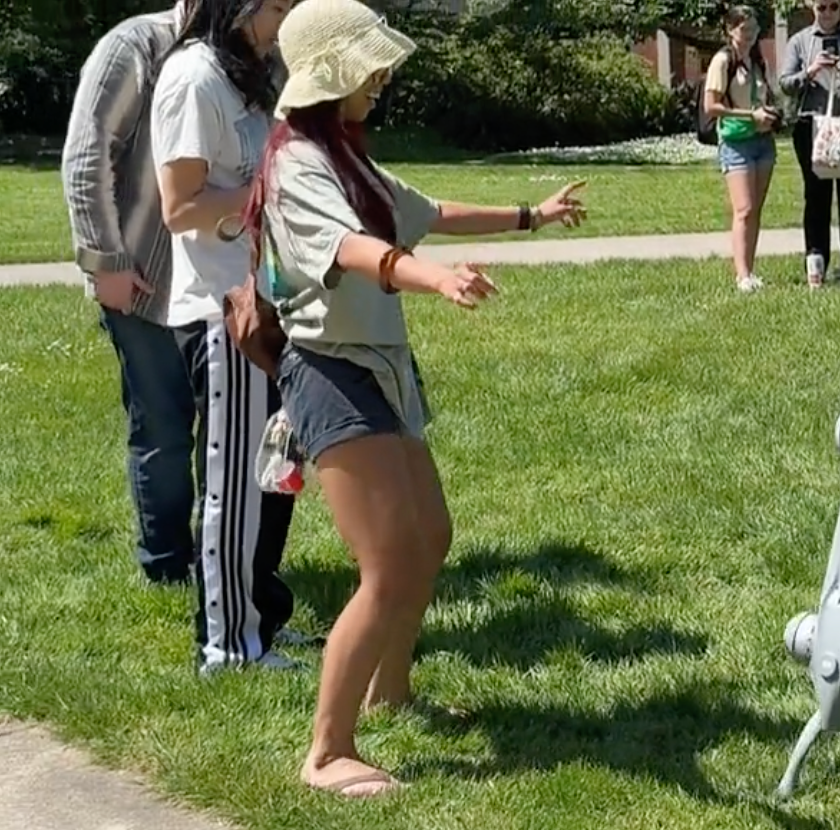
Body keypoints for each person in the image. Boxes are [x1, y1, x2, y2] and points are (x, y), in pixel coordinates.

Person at [245, 0, 586, 797]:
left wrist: (532, 216)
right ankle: (327, 753)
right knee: (388, 561)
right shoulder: (296, 164)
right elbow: (353, 249)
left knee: (429, 534)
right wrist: (432, 279)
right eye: (371, 67)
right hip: (332, 371)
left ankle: (389, 690)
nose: (384, 78)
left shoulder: (344, 154)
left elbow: (426, 212)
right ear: (334, 74)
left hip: (378, 367)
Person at [151, 0, 307, 675]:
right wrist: (264, 189)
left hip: (264, 304)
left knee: (272, 479)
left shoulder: (245, 76)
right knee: (235, 487)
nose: (289, 16)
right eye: (280, 5)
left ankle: (260, 619)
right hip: (222, 315)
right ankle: (229, 647)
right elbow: (180, 206)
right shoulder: (193, 78)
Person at [61, 0, 199, 586]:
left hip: (217, 286)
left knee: (225, 431)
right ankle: (168, 567)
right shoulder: (135, 46)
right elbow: (86, 156)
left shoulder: (248, 59)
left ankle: (221, 561)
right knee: (164, 429)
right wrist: (106, 262)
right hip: (144, 284)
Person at [778, 0, 840, 287]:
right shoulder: (800, 41)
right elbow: (784, 82)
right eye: (821, 7)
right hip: (811, 128)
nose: (827, 13)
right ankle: (816, 265)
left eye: (833, 7)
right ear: (813, 7)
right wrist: (809, 71)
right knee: (816, 198)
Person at [704, 6, 780, 293]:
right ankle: (742, 275)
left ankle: (751, 269)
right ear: (730, 30)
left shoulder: (758, 60)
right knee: (744, 209)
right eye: (743, 29)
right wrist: (751, 116)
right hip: (736, 142)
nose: (749, 35)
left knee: (756, 210)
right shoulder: (723, 60)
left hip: (763, 142)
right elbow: (711, 107)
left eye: (753, 30)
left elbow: (762, 95)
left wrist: (769, 113)